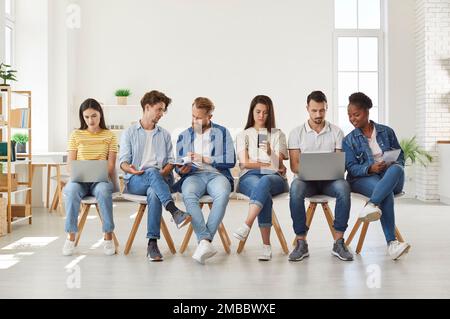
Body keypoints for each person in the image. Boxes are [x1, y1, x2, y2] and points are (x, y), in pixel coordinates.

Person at [119, 90, 190, 262]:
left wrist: (165, 170)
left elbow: (169, 162)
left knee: (153, 192)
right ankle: (173, 210)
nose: (161, 114)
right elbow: (123, 162)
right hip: (136, 180)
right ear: (147, 107)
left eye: (163, 110)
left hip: (160, 180)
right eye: (159, 109)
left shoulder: (164, 134)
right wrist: (131, 169)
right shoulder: (129, 133)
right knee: (150, 172)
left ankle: (152, 244)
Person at [343, 92, 411, 260]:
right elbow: (351, 168)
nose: (353, 119)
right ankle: (392, 244)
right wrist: (370, 168)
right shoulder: (349, 140)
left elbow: (400, 156)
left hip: (389, 176)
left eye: (356, 114)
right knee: (385, 193)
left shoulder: (386, 132)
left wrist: (390, 163)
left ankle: (372, 204)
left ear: (366, 112)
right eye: (350, 116)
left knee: (397, 169)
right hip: (364, 178)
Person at [288, 91, 353, 262]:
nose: (318, 115)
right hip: (305, 182)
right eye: (314, 110)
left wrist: (329, 171)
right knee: (295, 187)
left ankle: (339, 241)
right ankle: (301, 242)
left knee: (344, 187)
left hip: (329, 182)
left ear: (326, 108)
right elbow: (294, 166)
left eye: (322, 111)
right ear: (307, 109)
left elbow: (339, 165)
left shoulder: (337, 132)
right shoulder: (296, 133)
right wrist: (309, 172)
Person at [174, 97, 236, 264]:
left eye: (199, 117)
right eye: (193, 116)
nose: (195, 120)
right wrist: (181, 168)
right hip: (193, 176)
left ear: (210, 117)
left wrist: (206, 159)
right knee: (188, 194)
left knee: (222, 194)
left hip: (217, 175)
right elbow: (178, 164)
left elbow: (231, 160)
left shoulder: (222, 132)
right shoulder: (184, 135)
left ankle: (203, 242)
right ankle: (205, 240)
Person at [232, 95, 289, 261]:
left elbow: (278, 166)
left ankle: (246, 224)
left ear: (270, 114)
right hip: (249, 177)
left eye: (265, 112)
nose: (261, 116)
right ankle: (266, 246)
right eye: (258, 111)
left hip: (274, 178)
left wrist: (270, 152)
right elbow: (244, 163)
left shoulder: (278, 135)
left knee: (264, 183)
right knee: (263, 191)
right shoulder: (244, 135)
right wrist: (268, 164)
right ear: (252, 112)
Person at [62, 98, 118, 256]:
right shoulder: (76, 135)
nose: (90, 120)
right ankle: (70, 237)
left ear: (100, 114)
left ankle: (108, 237)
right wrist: (76, 172)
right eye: (86, 117)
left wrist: (98, 171)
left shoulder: (110, 135)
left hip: (100, 180)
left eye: (93, 116)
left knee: (104, 191)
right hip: (79, 181)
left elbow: (111, 166)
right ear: (82, 117)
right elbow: (69, 164)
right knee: (71, 191)